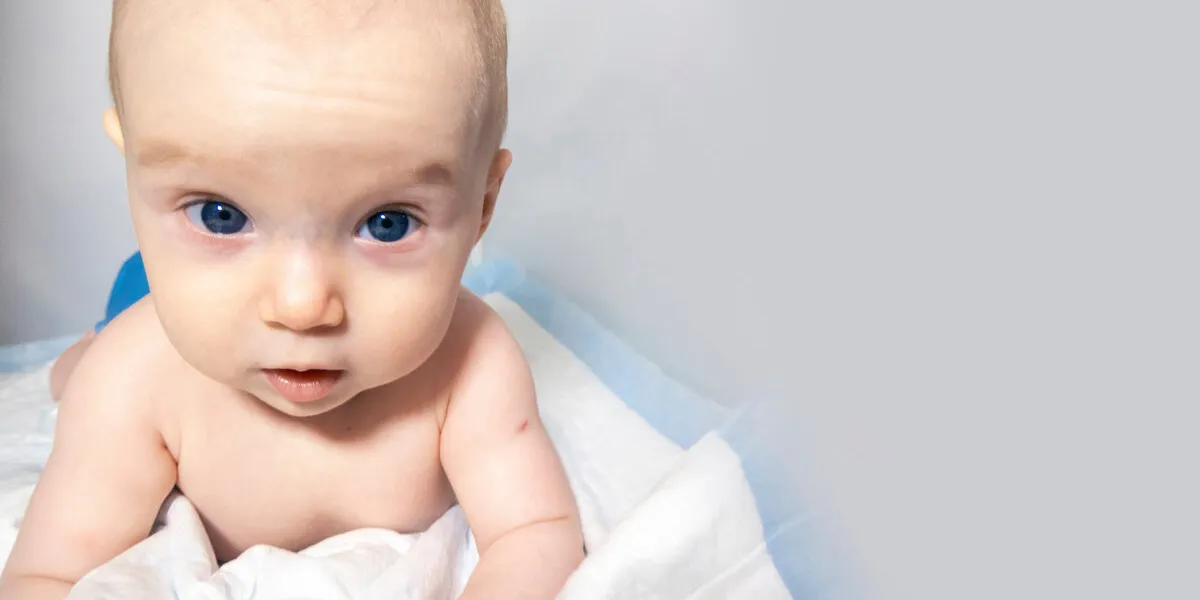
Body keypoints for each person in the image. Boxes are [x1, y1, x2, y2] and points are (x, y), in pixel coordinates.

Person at [0, 1, 584, 598]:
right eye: (220, 216)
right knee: (83, 369)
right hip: (139, 317)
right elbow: (46, 576)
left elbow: (535, 532)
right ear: (131, 169)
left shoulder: (472, 367)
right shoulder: (131, 379)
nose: (302, 306)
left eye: (387, 223)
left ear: (483, 203)